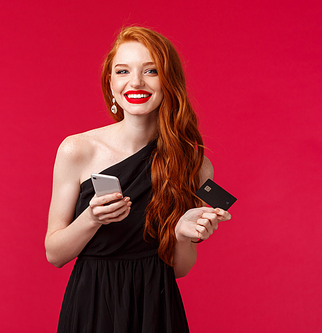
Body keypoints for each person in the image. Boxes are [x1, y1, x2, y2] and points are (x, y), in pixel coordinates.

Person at [45, 26, 231, 333]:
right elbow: (54, 254)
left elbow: (181, 269)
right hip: (92, 304)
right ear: (111, 83)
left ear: (168, 81)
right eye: (123, 71)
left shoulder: (196, 166)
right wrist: (91, 219)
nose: (136, 82)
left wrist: (182, 233)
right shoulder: (76, 150)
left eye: (151, 70)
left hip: (155, 306)